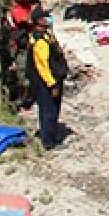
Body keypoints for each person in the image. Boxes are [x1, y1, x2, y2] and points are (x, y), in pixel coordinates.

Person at [27, 13, 68, 150]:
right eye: (45, 18)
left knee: (52, 110)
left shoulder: (46, 36)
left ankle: (51, 135)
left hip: (52, 79)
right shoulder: (39, 41)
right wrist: (52, 84)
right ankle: (49, 142)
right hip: (45, 83)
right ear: (39, 21)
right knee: (48, 111)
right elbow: (42, 66)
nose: (48, 20)